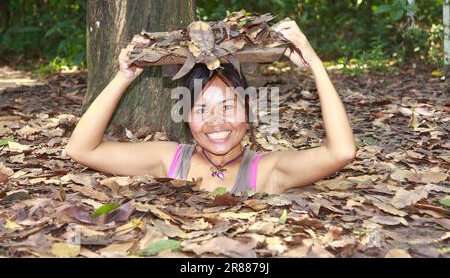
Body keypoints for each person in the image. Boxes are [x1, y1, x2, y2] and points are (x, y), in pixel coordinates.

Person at [65, 20, 356, 195]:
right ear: (185, 115)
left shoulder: (266, 170)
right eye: (201, 109)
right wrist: (124, 76)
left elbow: (341, 152)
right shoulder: (169, 160)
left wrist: (315, 64)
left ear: (248, 108)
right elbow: (81, 150)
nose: (216, 122)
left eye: (228, 106)